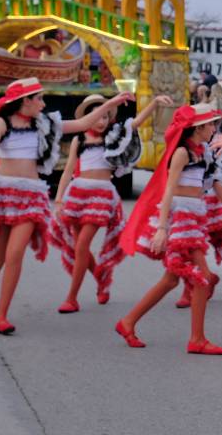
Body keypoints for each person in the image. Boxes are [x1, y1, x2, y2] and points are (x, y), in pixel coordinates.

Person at [0, 78, 106, 334]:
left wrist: (115, 101)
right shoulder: (2, 123)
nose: (43, 104)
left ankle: (2, 315)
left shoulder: (44, 124)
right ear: (25, 101)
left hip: (31, 196)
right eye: (38, 98)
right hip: (3, 193)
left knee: (15, 253)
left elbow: (83, 124)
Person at [115, 103, 222, 354]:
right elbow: (167, 189)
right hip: (180, 220)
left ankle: (128, 322)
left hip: (193, 218)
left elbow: (207, 185)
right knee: (202, 279)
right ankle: (197, 339)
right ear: (198, 128)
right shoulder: (182, 153)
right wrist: (162, 228)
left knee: (170, 280)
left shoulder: (202, 152)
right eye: (211, 124)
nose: (214, 128)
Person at [50, 92, 169, 312]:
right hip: (77, 194)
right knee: (79, 247)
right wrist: (58, 200)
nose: (101, 121)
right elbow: (68, 171)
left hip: (102, 196)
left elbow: (135, 123)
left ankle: (72, 298)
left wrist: (153, 103)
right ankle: (101, 279)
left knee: (82, 245)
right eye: (98, 116)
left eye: (105, 117)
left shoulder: (113, 138)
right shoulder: (79, 140)